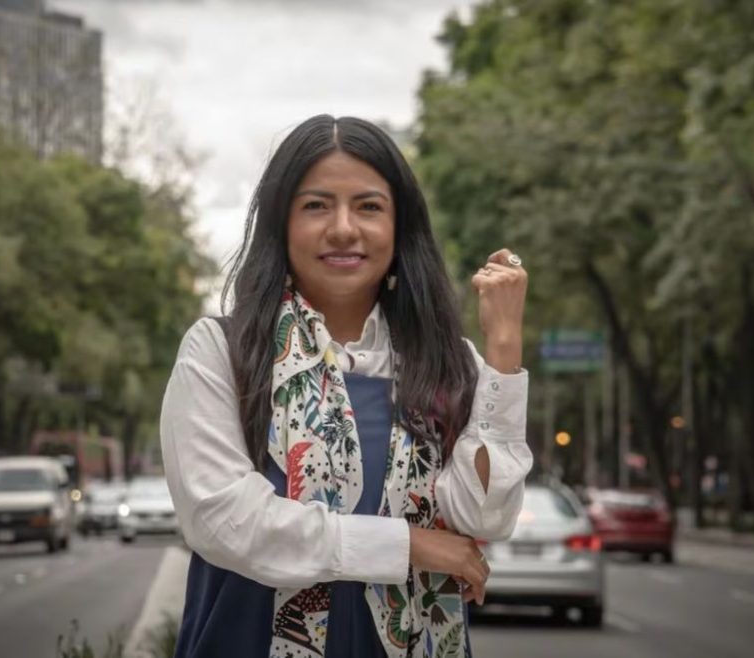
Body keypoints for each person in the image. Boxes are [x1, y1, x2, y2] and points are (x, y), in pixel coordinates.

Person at [160, 115, 531, 658]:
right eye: (316, 205)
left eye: (368, 206)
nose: (342, 228)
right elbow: (224, 520)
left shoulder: (447, 362)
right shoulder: (222, 352)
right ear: (281, 225)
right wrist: (407, 545)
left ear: (399, 227)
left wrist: (503, 349)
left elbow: (485, 516)